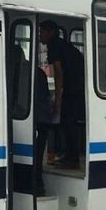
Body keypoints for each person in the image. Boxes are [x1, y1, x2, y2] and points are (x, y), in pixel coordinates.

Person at [39, 20, 85, 169]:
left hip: (73, 88)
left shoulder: (54, 46)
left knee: (68, 122)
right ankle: (70, 156)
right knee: (68, 122)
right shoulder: (63, 44)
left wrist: (57, 99)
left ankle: (73, 159)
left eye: (42, 32)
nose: (40, 35)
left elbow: (59, 73)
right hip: (77, 86)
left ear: (50, 32)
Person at [33, 66, 51, 196]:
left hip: (37, 119)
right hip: (43, 119)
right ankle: (38, 187)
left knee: (35, 157)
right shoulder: (39, 72)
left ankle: (37, 187)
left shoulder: (17, 71)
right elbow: (47, 96)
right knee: (38, 157)